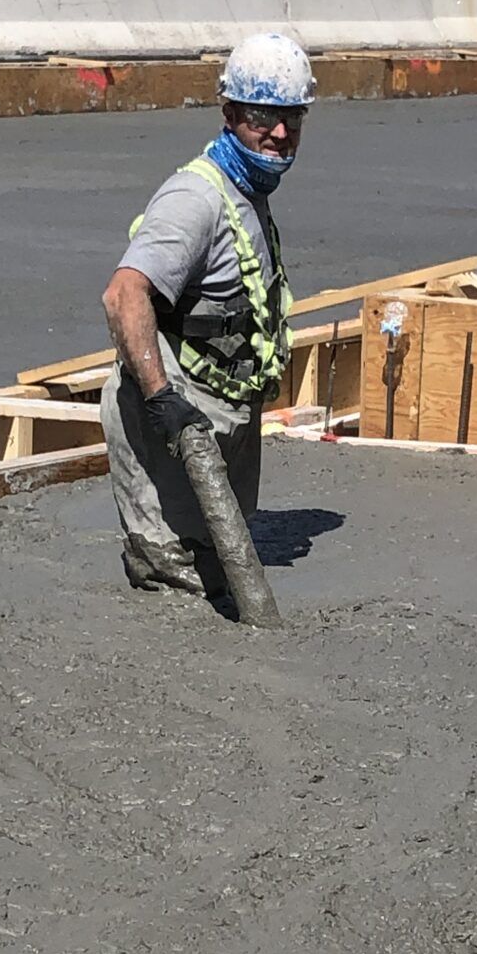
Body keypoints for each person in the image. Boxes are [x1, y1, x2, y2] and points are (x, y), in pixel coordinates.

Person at [100, 31, 314, 597]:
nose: (279, 133)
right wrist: (162, 400)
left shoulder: (251, 194)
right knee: (172, 580)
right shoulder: (195, 199)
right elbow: (124, 294)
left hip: (230, 420)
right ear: (229, 113)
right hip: (176, 422)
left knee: (220, 576)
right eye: (261, 116)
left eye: (292, 117)